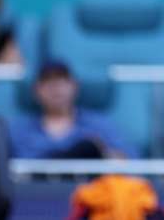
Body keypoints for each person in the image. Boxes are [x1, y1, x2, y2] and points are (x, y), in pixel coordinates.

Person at [8, 61, 137, 159]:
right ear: (36, 90)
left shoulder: (100, 126)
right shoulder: (18, 131)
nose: (56, 87)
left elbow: (130, 161)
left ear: (75, 86)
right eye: (48, 81)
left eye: (62, 80)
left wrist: (103, 153)